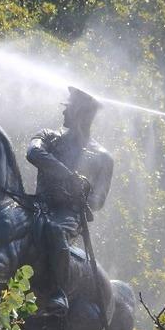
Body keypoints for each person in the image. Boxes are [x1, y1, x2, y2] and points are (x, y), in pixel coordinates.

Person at [27, 86, 114, 317]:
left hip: (68, 215)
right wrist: (67, 174)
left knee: (55, 230)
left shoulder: (103, 157)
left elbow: (98, 200)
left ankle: (59, 292)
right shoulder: (48, 136)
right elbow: (33, 154)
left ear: (81, 115)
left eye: (69, 109)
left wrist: (83, 191)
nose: (63, 114)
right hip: (38, 205)